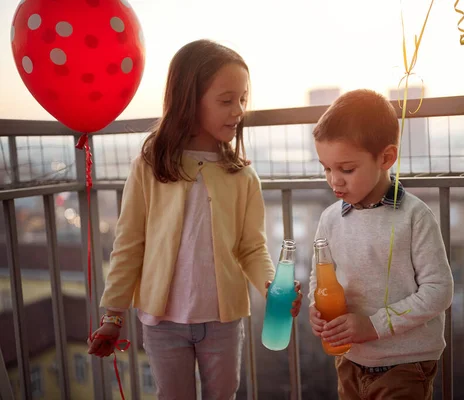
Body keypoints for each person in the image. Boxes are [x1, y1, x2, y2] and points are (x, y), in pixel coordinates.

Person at [87, 39, 302, 400]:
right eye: (226, 100)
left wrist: (271, 285)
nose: (238, 111)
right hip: (162, 323)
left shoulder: (244, 177)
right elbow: (129, 244)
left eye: (242, 100)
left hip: (223, 323)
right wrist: (113, 315)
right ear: (190, 99)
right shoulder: (149, 168)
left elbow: (252, 247)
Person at [308, 89, 453, 399]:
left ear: (386, 158)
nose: (335, 180)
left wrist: (374, 326)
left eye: (346, 169)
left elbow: (439, 290)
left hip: (404, 365)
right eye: (326, 168)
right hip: (349, 360)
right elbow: (319, 279)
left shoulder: (415, 216)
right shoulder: (329, 219)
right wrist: (315, 307)